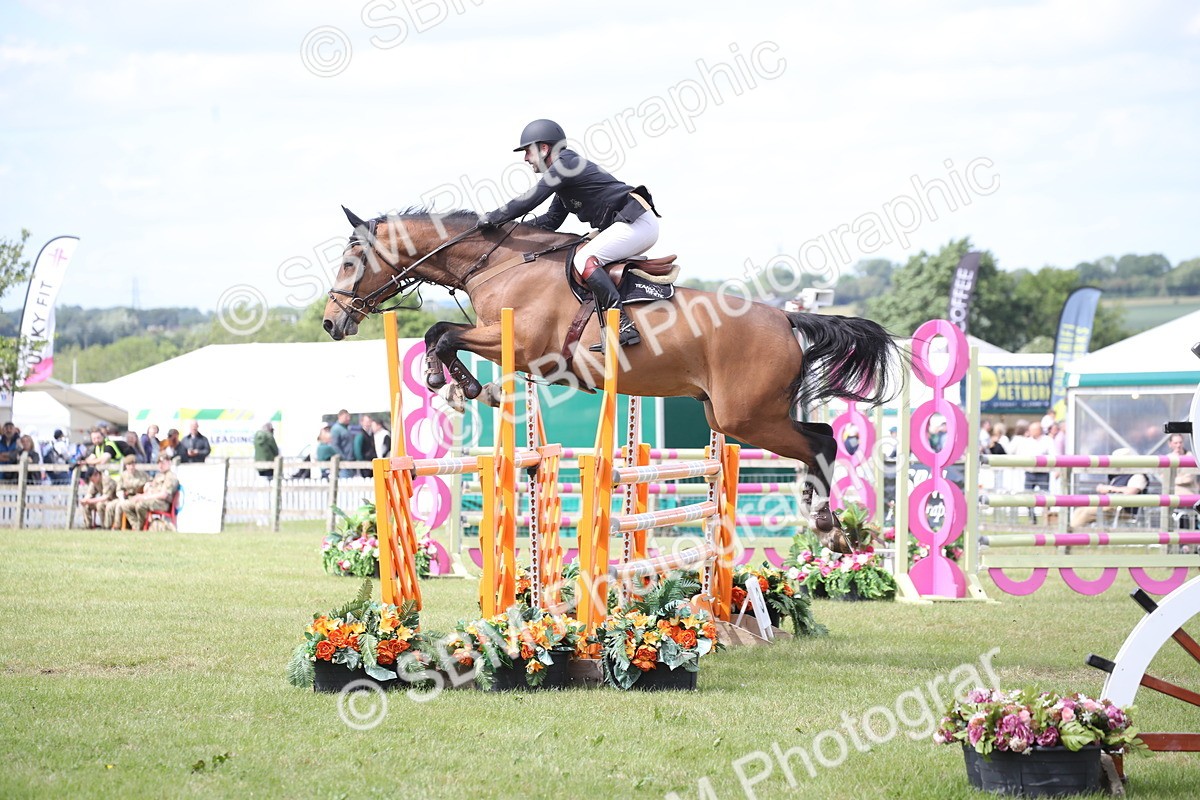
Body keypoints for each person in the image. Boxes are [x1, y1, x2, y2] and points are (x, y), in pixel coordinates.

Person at [479, 119, 661, 352]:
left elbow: (530, 199)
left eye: (527, 151)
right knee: (578, 254)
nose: (525, 158)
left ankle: (623, 324)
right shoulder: (565, 176)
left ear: (544, 148)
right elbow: (551, 220)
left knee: (583, 259)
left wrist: (494, 218)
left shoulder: (566, 164)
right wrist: (510, 230)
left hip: (637, 223)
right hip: (627, 224)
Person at [1070, 448, 1149, 530]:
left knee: (1086, 512)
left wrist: (1109, 489)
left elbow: (1131, 491)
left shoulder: (1138, 476)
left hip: (1122, 509)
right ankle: (1072, 532)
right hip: (1112, 506)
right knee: (1079, 511)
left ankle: (1072, 533)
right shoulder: (1119, 476)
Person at [115, 454, 180, 530]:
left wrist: (144, 497)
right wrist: (143, 493)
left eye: (163, 463)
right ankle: (136, 526)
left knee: (141, 505)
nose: (160, 465)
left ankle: (140, 528)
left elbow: (163, 495)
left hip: (162, 503)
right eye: (159, 463)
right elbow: (151, 489)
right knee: (125, 505)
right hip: (152, 500)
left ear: (169, 462)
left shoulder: (170, 476)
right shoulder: (159, 475)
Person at [108, 455, 149, 529]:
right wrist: (122, 498)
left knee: (121, 506)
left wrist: (146, 489)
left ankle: (133, 526)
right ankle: (112, 526)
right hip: (127, 497)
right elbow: (119, 489)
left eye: (133, 464)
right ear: (126, 466)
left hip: (139, 497)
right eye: (129, 465)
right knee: (113, 505)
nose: (131, 467)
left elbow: (149, 484)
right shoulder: (123, 475)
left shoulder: (142, 475)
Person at [330, 410, 354, 477]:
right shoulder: (336, 429)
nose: (348, 418)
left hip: (350, 460)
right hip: (343, 462)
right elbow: (335, 445)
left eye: (349, 417)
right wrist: (343, 457)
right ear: (339, 417)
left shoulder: (346, 428)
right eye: (346, 417)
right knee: (344, 481)